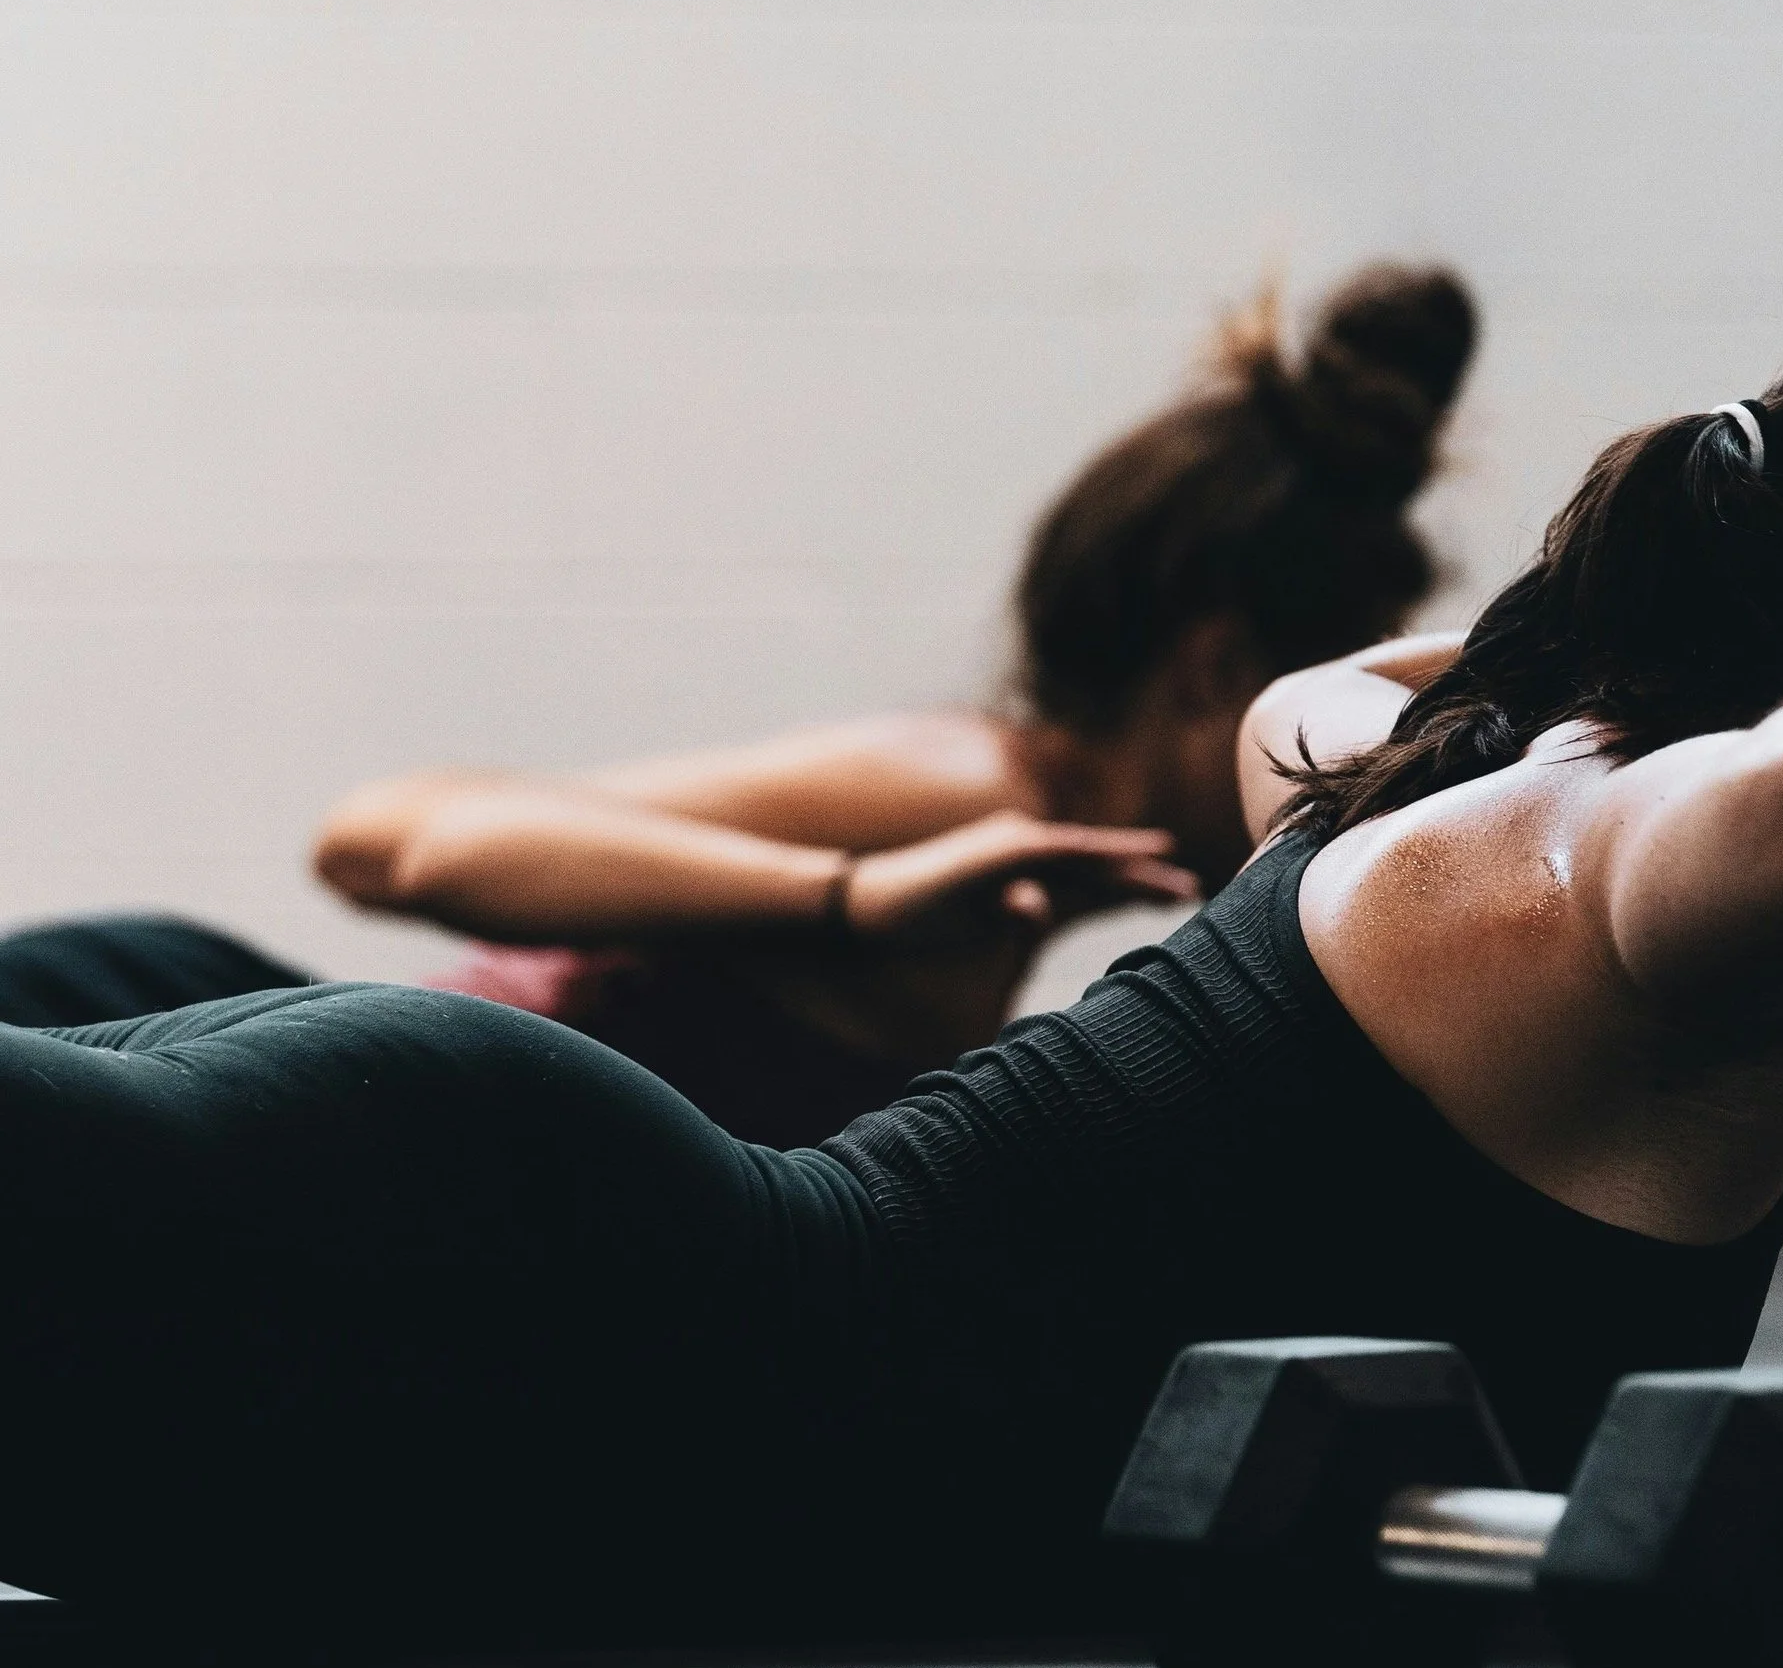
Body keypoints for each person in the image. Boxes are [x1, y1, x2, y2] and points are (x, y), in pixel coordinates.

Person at [1, 235, 1783, 1668]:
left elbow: (1603, 705)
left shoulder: (1406, 752)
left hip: (497, 1343)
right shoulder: (1646, 882)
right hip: (510, 1324)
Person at [0, 263, 1479, 1139]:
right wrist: (847, 898)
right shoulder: (963, 794)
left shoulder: (1007, 873)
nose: (1346, 775)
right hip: (194, 1059)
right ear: (1217, 669)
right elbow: (392, 841)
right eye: (1333, 714)